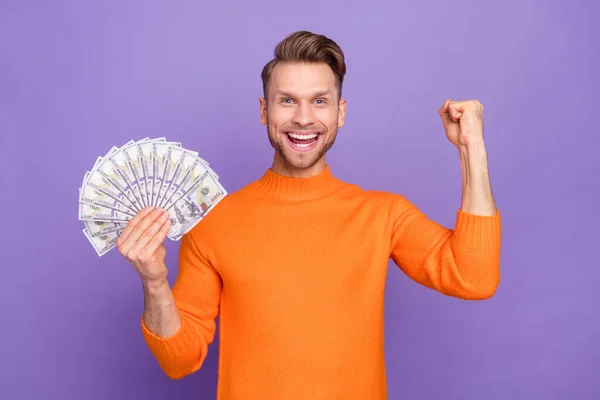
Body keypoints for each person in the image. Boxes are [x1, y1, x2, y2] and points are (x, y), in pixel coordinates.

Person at [116, 30, 501, 399]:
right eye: (287, 101)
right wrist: (154, 282)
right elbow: (180, 360)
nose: (303, 118)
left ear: (340, 112)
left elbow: (474, 278)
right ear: (264, 110)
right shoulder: (213, 224)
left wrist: (472, 148)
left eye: (319, 101)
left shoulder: (383, 215)